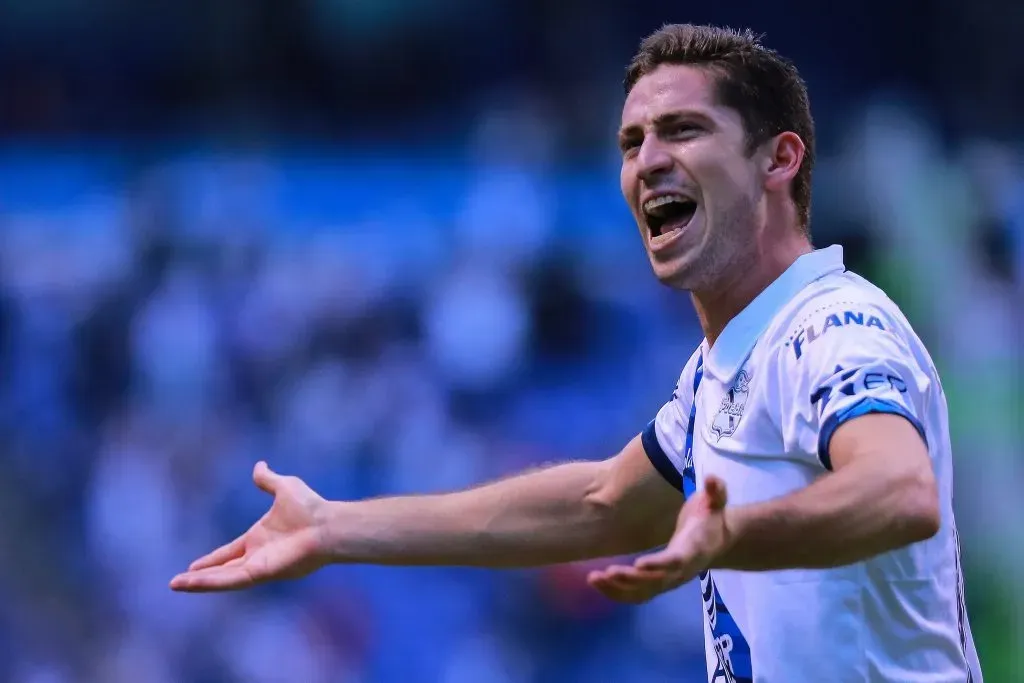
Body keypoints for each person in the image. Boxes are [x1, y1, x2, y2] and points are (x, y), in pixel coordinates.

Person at [170, 24, 984, 683]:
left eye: (683, 129)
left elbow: (899, 488)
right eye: (631, 141)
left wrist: (731, 534)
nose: (646, 160)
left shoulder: (830, 323)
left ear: (779, 159)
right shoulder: (720, 372)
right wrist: (337, 525)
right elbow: (599, 502)